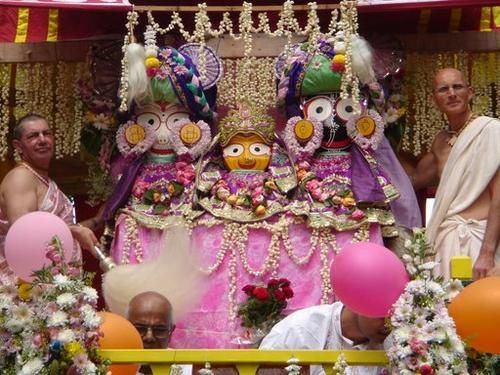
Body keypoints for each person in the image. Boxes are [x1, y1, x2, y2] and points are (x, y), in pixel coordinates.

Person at [412, 68, 500, 280]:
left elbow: (498, 198)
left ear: (470, 92)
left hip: (479, 241)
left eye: (457, 87)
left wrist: (487, 253)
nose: (451, 93)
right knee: (446, 309)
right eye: (443, 89)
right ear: (435, 99)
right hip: (445, 240)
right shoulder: (440, 141)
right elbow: (412, 181)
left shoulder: (491, 130)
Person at [0, 114, 100, 275]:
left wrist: (98, 219)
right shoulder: (21, 177)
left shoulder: (44, 180)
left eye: (46, 133)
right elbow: (23, 230)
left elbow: (58, 229)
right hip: (25, 284)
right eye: (33, 136)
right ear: (18, 146)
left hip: (52, 280)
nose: (42, 140)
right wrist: (74, 231)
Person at [259, 301, 388, 375]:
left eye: (396, 315)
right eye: (385, 312)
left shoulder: (398, 343)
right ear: (359, 298)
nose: (390, 324)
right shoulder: (299, 330)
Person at [127, 291, 192, 375]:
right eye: (140, 329)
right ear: (126, 328)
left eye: (159, 330)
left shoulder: (188, 369)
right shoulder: (112, 365)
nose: (149, 337)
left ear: (171, 332)